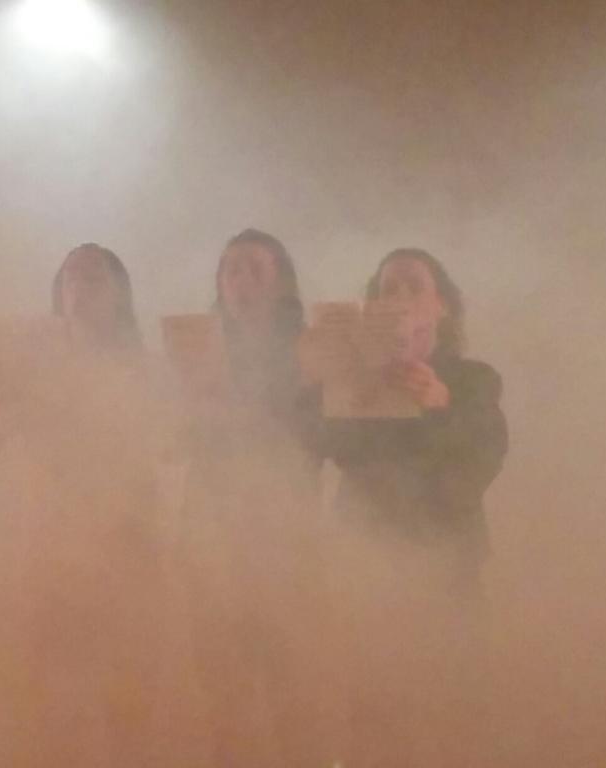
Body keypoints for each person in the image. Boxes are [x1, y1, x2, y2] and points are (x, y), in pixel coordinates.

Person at [0, 244, 206, 767]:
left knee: (129, 706)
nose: (80, 288)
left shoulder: (150, 369)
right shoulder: (27, 370)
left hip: (130, 551)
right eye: (71, 278)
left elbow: (176, 449)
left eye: (94, 278)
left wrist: (195, 395)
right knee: (50, 706)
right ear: (58, 295)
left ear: (120, 296)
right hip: (51, 553)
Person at [315, 247, 508, 765]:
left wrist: (440, 404)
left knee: (456, 725)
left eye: (413, 286)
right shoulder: (353, 380)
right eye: (388, 289)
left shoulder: (472, 381)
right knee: (374, 725)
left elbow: (482, 462)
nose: (399, 297)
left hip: (448, 578)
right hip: (368, 572)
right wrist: (324, 383)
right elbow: (325, 450)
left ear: (441, 306)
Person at [178, 228, 342, 767]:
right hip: (209, 535)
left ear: (282, 285)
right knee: (222, 693)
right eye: (230, 269)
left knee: (293, 690)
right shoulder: (198, 354)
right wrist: (188, 407)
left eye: (254, 269)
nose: (240, 280)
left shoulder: (312, 353)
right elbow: (171, 445)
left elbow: (328, 441)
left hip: (285, 539)